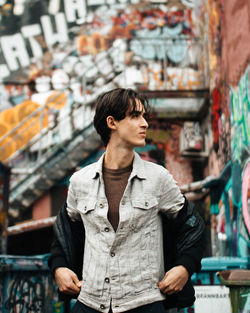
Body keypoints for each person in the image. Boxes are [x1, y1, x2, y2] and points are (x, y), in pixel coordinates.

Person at [48, 88, 206, 313]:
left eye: (144, 116)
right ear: (112, 122)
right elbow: (63, 234)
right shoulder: (80, 181)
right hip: (91, 303)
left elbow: (193, 225)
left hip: (145, 302)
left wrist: (184, 267)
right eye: (135, 116)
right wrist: (59, 268)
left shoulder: (157, 178)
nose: (144, 124)